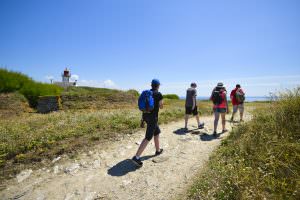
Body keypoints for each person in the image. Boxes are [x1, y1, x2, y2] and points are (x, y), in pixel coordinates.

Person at [132, 79, 164, 167]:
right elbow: (161, 107)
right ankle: (137, 157)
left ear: (151, 85)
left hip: (146, 117)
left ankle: (157, 150)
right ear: (158, 85)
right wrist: (160, 102)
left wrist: (142, 119)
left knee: (156, 132)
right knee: (148, 137)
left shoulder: (147, 93)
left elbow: (144, 107)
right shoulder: (158, 94)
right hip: (153, 118)